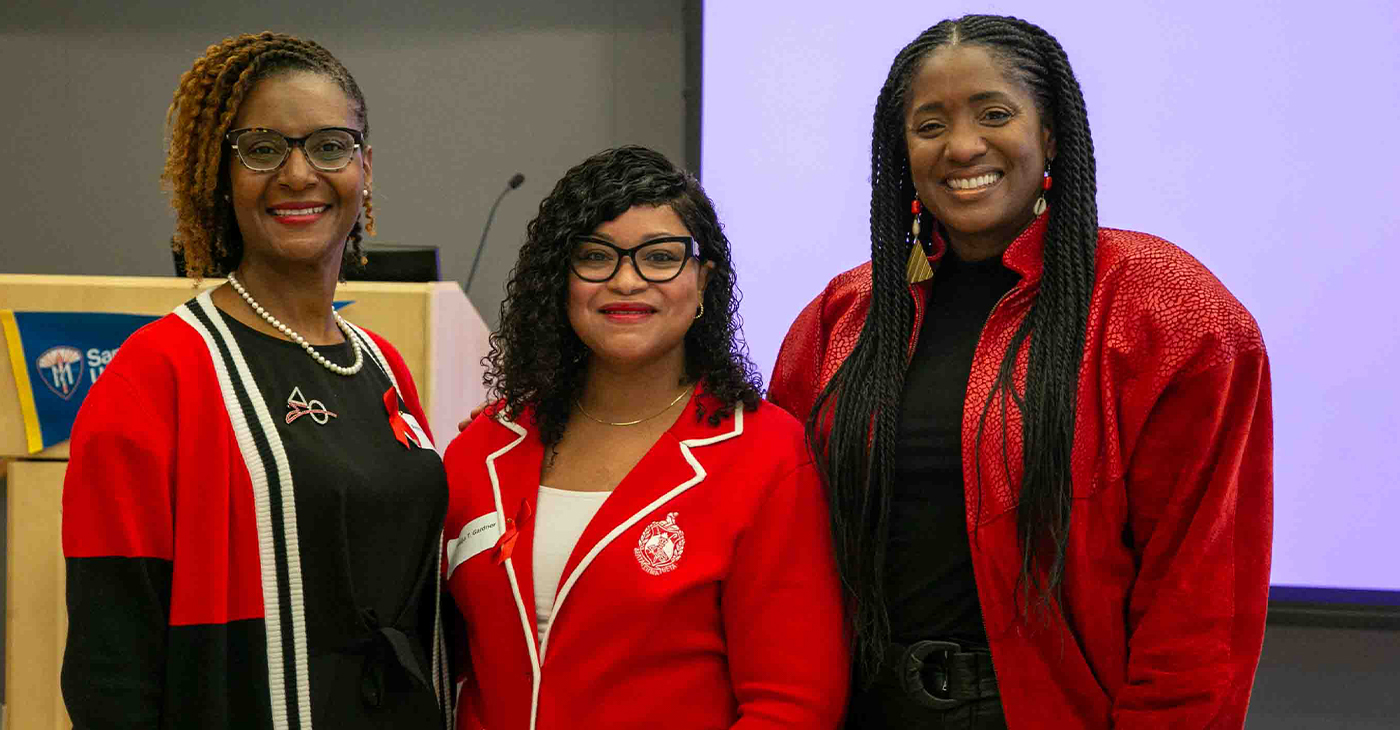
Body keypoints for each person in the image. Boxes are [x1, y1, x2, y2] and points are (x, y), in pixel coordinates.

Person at [768, 15, 1272, 729]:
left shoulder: (1170, 312)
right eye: (930, 123)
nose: (963, 146)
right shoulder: (840, 317)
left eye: (995, 114)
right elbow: (780, 559)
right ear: (902, 151)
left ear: (1052, 136)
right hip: (859, 705)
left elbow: (1201, 600)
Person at [61, 32, 452, 729]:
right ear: (221, 173)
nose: (298, 174)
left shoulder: (383, 366)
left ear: (363, 166)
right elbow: (109, 667)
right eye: (263, 149)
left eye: (329, 145)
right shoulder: (159, 373)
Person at [443, 145, 849, 729]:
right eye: (595, 257)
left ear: (704, 280)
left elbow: (791, 706)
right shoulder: (483, 447)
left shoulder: (767, 453)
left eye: (660, 258)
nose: (627, 280)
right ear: (560, 281)